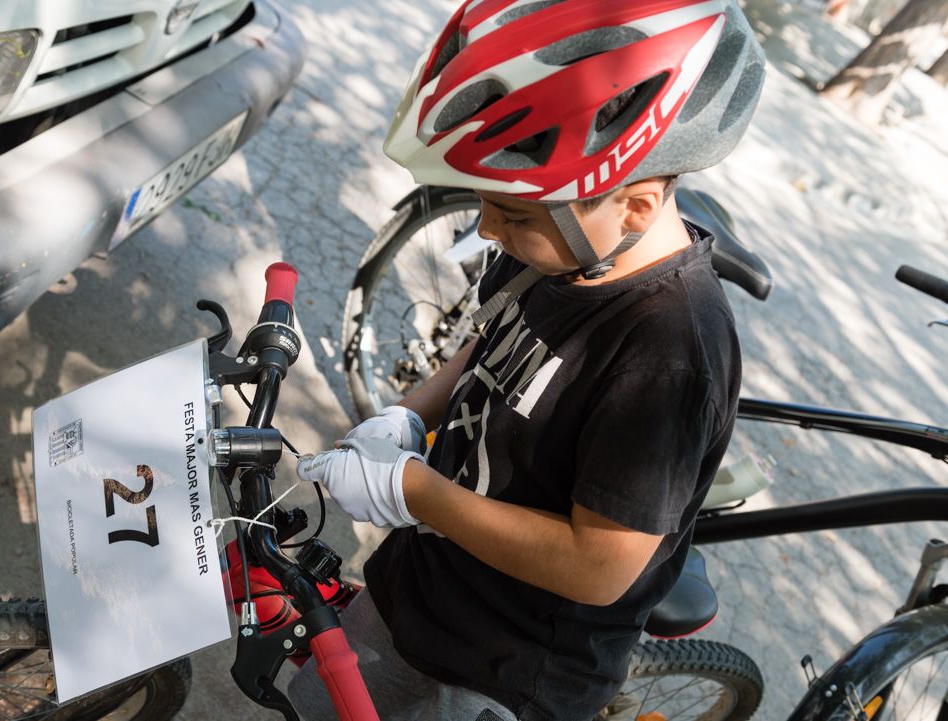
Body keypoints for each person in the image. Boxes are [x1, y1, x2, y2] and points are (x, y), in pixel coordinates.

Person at [290, 1, 766, 719]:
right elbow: (489, 341)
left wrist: (414, 493)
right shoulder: (564, 249)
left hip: (502, 670)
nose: (487, 227)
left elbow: (598, 565)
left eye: (513, 216)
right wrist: (407, 413)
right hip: (421, 587)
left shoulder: (668, 354)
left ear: (634, 207)